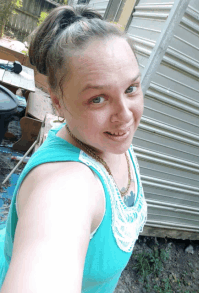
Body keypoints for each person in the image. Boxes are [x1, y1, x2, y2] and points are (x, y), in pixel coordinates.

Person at [0, 4, 147, 293]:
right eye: (97, 99)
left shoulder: (109, 137)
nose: (126, 115)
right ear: (57, 103)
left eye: (130, 89)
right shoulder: (65, 186)